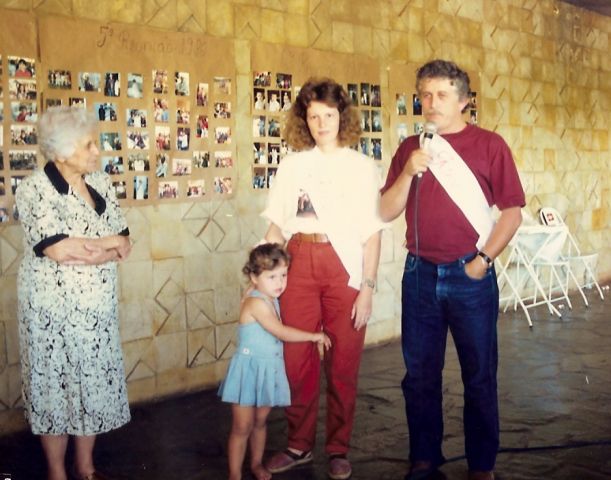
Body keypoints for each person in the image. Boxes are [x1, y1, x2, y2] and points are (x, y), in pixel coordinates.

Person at [379, 59, 525, 480]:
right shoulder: (411, 148)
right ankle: (424, 458)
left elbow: (512, 213)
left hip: (469, 275)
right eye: (425, 95)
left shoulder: (490, 145)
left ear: (463, 101)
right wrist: (408, 171)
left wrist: (483, 261)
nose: (431, 103)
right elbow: (385, 210)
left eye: (442, 95)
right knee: (419, 376)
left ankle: (481, 465)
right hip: (419, 275)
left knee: (478, 375)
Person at [261, 77, 385, 480]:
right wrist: (261, 277)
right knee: (296, 358)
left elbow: (372, 234)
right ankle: (298, 445)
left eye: (329, 115)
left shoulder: (362, 167)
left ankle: (338, 447)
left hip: (344, 267)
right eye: (313, 116)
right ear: (304, 120)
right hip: (299, 260)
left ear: (341, 117)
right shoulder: (292, 165)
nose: (321, 124)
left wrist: (367, 289)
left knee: (343, 361)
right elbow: (276, 227)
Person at [15, 106, 132, 480]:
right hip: (52, 312)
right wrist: (106, 245)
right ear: (62, 153)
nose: (97, 151)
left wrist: (100, 246)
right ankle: (57, 473)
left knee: (91, 386)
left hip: (97, 310)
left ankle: (86, 468)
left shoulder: (101, 183)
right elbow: (58, 250)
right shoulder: (34, 189)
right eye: (88, 145)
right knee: (55, 389)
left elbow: (125, 242)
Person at [219, 244, 331, 480]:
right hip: (248, 372)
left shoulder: (271, 297)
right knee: (242, 426)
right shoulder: (256, 303)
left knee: (260, 423)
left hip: (267, 370)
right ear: (254, 278)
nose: (280, 282)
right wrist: (314, 336)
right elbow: (280, 332)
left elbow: (262, 287)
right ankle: (234, 474)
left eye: (283, 275)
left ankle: (256, 464)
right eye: (272, 277)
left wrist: (260, 282)